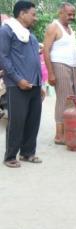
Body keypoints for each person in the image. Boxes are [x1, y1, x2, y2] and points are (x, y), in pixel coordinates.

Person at [0, 1, 44, 168]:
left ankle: (27, 153)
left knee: (33, 120)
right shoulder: (6, 31)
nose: (36, 18)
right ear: (22, 14)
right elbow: (3, 58)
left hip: (34, 84)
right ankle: (10, 156)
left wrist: (41, 84)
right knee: (17, 121)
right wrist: (18, 80)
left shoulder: (29, 34)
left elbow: (35, 61)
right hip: (17, 85)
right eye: (33, 14)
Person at [43, 2, 76, 145]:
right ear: (61, 13)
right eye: (69, 14)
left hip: (71, 67)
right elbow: (46, 51)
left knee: (72, 101)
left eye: (73, 14)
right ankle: (59, 135)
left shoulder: (70, 29)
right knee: (64, 100)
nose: (72, 17)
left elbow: (73, 51)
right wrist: (51, 73)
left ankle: (67, 131)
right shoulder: (54, 27)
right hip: (59, 66)